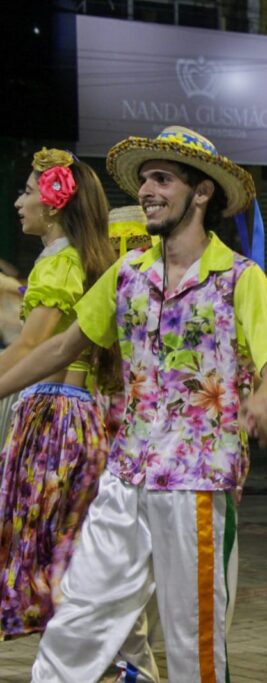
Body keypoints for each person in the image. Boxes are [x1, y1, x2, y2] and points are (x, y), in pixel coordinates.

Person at [0, 126, 267, 682]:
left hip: (197, 483)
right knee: (77, 620)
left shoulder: (240, 279)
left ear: (201, 193)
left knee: (192, 642)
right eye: (144, 181)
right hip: (126, 474)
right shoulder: (128, 272)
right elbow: (63, 346)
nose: (148, 191)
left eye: (162, 179)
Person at [0, 149, 116, 640]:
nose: (17, 202)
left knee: (47, 545)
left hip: (54, 418)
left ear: (52, 205)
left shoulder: (59, 264)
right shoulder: (74, 260)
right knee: (65, 545)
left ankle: (97, 654)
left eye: (27, 191)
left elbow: (31, 345)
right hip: (72, 413)